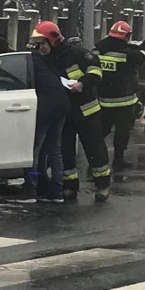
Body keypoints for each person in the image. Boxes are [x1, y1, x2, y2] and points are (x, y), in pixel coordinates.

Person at [30, 21, 111, 202]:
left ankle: (102, 184)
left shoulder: (77, 53)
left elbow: (96, 70)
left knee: (95, 149)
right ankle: (70, 186)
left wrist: (83, 82)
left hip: (87, 111)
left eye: (42, 44)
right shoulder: (45, 59)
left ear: (52, 40)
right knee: (65, 151)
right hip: (65, 112)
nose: (40, 48)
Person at [17, 32, 70, 203]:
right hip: (61, 104)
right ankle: (57, 192)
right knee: (54, 149)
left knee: (33, 149)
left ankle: (30, 190)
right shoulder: (46, 61)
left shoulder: (27, 62)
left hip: (45, 108)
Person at [94, 21, 145, 171]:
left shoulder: (97, 50)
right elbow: (143, 57)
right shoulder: (127, 54)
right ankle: (118, 160)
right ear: (126, 36)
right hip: (124, 102)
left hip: (102, 101)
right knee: (122, 132)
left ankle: (96, 160)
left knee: (101, 132)